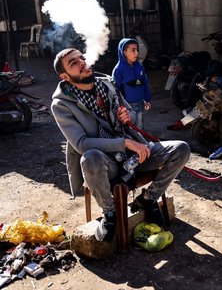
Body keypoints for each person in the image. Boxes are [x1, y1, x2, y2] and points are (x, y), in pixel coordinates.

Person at [51, 48, 190, 242]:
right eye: (74, 63)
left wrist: (127, 116)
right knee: (89, 158)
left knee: (181, 149)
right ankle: (110, 214)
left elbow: (131, 114)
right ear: (65, 76)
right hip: (108, 163)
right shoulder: (61, 104)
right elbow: (81, 144)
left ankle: (147, 199)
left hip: (134, 154)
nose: (82, 62)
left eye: (81, 57)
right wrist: (125, 143)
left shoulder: (107, 84)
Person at [112, 38, 151, 129]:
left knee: (140, 127)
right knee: (130, 130)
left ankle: (140, 142)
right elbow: (115, 90)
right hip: (128, 107)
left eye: (137, 50)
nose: (137, 53)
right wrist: (120, 107)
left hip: (140, 103)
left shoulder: (139, 67)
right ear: (124, 52)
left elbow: (145, 83)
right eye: (133, 50)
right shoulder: (119, 70)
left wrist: (147, 99)